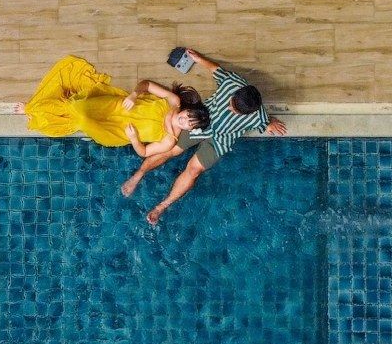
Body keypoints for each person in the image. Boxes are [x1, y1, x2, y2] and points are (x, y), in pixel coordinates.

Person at [120, 47, 287, 224]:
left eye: (235, 111)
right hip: (200, 121)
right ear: (237, 92)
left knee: (193, 170)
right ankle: (139, 175)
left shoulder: (258, 117)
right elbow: (215, 69)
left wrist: (270, 122)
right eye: (231, 103)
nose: (230, 108)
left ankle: (161, 206)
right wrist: (198, 59)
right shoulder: (232, 83)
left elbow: (265, 123)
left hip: (221, 140)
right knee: (170, 150)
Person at [24, 55, 209, 149]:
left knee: (81, 119)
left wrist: (134, 140)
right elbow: (146, 84)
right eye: (186, 116)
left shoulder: (169, 141)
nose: (183, 120)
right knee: (77, 106)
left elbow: (144, 153)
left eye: (188, 123)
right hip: (117, 106)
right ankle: (34, 108)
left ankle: (32, 109)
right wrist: (134, 95)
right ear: (186, 109)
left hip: (117, 133)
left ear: (190, 130)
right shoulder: (173, 101)